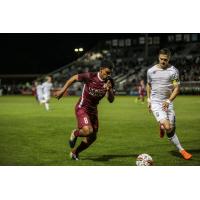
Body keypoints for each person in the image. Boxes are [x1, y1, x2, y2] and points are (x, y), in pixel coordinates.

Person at [55, 60, 115, 160]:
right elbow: (74, 78)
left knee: (92, 137)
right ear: (101, 70)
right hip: (82, 107)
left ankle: (75, 153)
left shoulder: (109, 81)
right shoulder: (90, 76)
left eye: (110, 73)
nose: (109, 75)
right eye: (107, 72)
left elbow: (111, 100)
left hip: (93, 110)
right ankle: (75, 133)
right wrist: (62, 90)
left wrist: (109, 90)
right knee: (88, 131)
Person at [146, 48, 192, 160]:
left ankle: (162, 126)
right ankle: (182, 150)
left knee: (171, 128)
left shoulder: (173, 71)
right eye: (161, 59)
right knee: (168, 127)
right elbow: (148, 84)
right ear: (158, 57)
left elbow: (176, 88)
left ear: (169, 59)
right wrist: (148, 99)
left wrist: (168, 101)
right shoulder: (151, 71)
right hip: (156, 102)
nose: (163, 61)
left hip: (168, 101)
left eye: (165, 60)